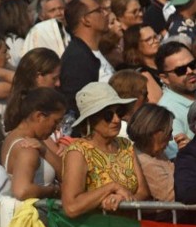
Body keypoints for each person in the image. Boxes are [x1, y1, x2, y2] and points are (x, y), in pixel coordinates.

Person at [60, 82, 146, 217]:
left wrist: (124, 200)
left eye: (120, 112)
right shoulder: (77, 151)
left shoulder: (126, 145)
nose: (117, 120)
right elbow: (71, 207)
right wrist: (112, 187)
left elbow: (144, 192)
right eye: (108, 115)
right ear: (91, 119)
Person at [1, 87, 67, 201]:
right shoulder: (27, 148)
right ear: (39, 116)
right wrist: (53, 190)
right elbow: (22, 191)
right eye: (55, 121)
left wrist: (45, 150)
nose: (57, 128)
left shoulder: (23, 138)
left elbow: (65, 174)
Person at [154, 42, 196, 148]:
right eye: (181, 70)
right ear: (164, 78)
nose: (190, 71)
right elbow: (177, 157)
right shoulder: (166, 113)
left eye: (192, 65)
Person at [127, 104, 177, 202]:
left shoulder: (158, 154)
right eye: (168, 133)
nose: (171, 138)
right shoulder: (144, 162)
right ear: (155, 133)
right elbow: (171, 197)